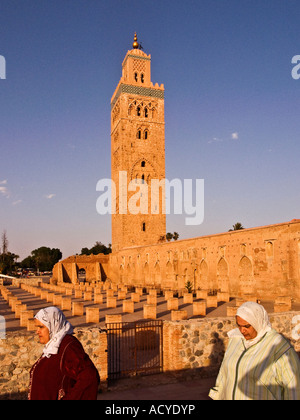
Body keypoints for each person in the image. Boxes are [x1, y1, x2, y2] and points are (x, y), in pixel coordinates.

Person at [209, 301, 300, 400]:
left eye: (247, 326)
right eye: (239, 325)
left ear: (257, 322)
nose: (242, 330)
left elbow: (293, 388)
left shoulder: (279, 348)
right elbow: (224, 373)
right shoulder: (235, 339)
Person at [28, 306, 100, 400]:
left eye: (41, 327)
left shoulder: (69, 346)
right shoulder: (53, 347)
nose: (37, 331)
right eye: (37, 327)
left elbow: (89, 378)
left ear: (54, 325)